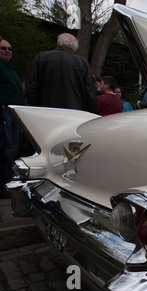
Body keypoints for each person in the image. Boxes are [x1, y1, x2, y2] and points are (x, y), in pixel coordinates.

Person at [26, 33, 97, 113]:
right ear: (75, 48)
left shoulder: (42, 58)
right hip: (74, 112)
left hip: (45, 110)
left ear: (58, 43)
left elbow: (32, 87)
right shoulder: (82, 64)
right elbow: (90, 93)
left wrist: (35, 108)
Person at [0, 37, 25, 195]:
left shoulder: (10, 70)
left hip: (14, 113)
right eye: (3, 48)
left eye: (10, 49)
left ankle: (8, 181)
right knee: (5, 149)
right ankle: (3, 185)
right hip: (4, 112)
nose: (7, 51)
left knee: (12, 149)